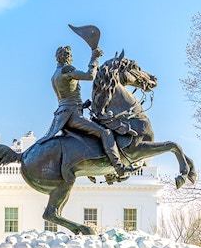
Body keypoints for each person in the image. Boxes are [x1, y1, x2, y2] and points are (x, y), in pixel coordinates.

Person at [39, 45, 133, 177]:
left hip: (63, 114)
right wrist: (94, 58)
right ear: (68, 57)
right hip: (72, 116)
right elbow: (90, 76)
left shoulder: (55, 75)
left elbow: (66, 97)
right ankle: (118, 167)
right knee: (105, 132)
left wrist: (82, 105)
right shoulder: (67, 69)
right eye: (70, 55)